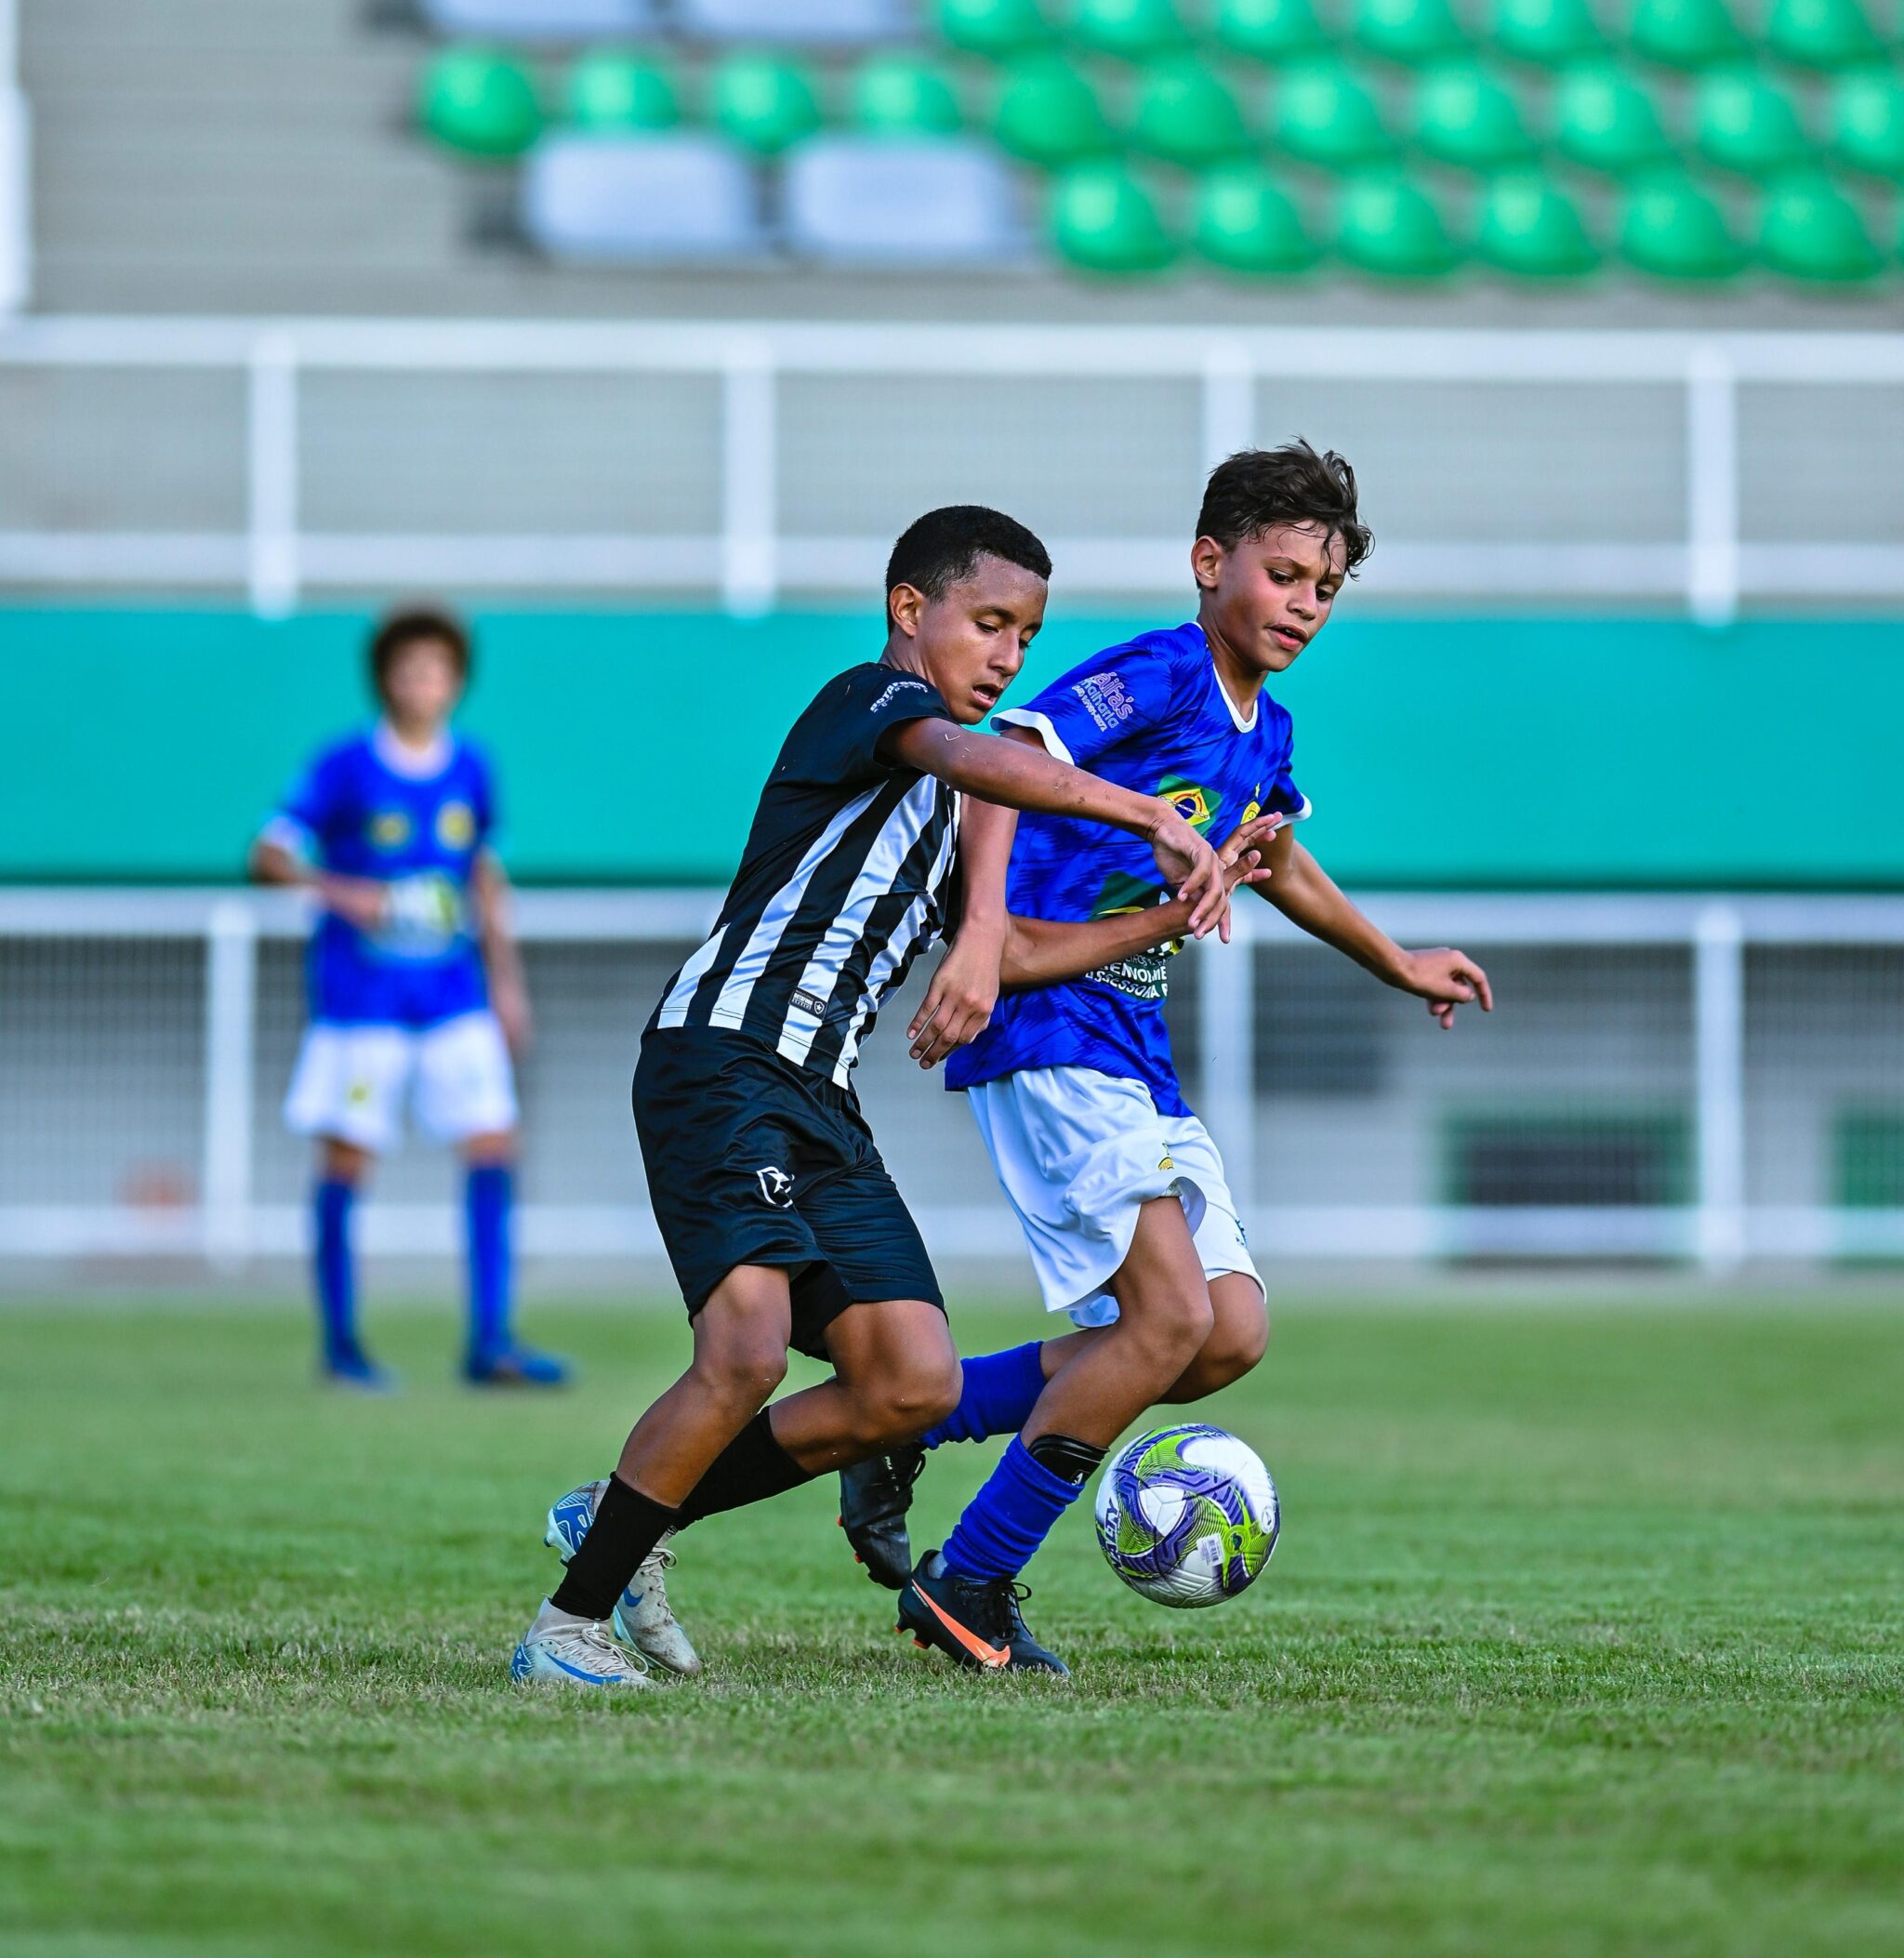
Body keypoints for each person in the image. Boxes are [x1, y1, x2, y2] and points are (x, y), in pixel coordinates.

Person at [511, 504, 1249, 1694]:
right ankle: (566, 1625)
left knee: (910, 1384)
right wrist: (1143, 810)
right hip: (720, 1061)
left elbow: (997, 949)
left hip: (820, 1097)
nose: (1009, 654)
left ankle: (625, 1516)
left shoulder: (956, 803)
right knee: (745, 1349)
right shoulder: (870, 704)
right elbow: (980, 754)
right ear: (911, 610)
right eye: (990, 622)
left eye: (1027, 633)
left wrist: (1164, 917)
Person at [859, 443, 1493, 1675]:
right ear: (1212, 564)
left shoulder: (1269, 729)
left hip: (1132, 1039)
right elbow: (1007, 762)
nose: (1306, 604)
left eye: (1326, 587)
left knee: (1224, 1334)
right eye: (1284, 572)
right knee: (1163, 1317)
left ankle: (923, 1418)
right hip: (1049, 1016)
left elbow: (1282, 863)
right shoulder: (1159, 671)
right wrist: (983, 941)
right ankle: (970, 1583)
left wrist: (1397, 960)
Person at [251, 603, 565, 1394]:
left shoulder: (472, 768)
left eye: (437, 669)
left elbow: (486, 880)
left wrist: (507, 983)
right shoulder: (346, 765)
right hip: (362, 1000)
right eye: (409, 668)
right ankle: (342, 1344)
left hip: (454, 994)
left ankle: (490, 1340)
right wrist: (341, 890)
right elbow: (269, 853)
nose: (424, 682)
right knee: (348, 1158)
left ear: (455, 682)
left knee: (494, 1144)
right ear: (387, 679)